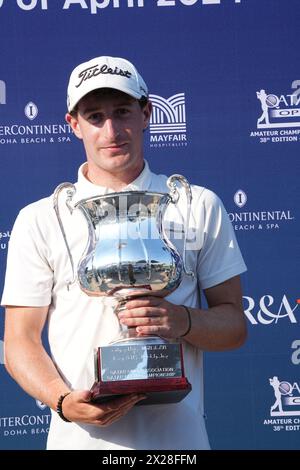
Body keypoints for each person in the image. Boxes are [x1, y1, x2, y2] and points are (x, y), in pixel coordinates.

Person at [1, 55, 247, 450]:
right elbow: (20, 340)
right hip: (79, 442)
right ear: (74, 124)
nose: (111, 130)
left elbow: (234, 325)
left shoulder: (196, 204)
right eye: (95, 116)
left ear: (146, 112)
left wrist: (180, 320)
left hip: (178, 445)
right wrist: (63, 401)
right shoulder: (40, 218)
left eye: (122, 111)